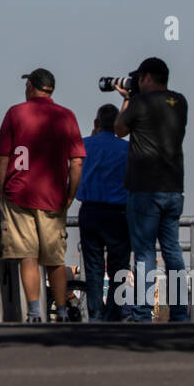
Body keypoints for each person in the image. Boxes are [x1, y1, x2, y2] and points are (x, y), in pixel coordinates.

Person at [0, 69, 84, 323]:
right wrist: (70, 195)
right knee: (55, 258)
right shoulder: (67, 117)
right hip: (53, 196)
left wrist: (2, 191)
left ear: (30, 86)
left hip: (19, 194)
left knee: (28, 256)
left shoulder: (16, 113)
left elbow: (2, 157)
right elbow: (76, 163)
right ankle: (62, 311)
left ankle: (34, 312)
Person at [114, 57, 190, 322]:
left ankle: (142, 314)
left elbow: (119, 129)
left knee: (145, 253)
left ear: (147, 78)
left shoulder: (139, 102)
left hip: (145, 188)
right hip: (173, 188)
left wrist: (127, 98)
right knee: (173, 251)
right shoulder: (180, 102)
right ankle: (180, 313)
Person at [76, 103, 130, 321]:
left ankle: (95, 313)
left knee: (94, 266)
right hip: (119, 213)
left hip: (90, 211)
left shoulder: (83, 145)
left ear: (96, 123)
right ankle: (114, 312)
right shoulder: (127, 149)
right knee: (119, 267)